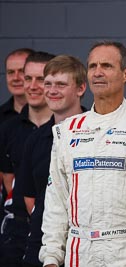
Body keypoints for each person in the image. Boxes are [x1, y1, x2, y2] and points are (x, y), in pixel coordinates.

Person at [39, 41, 126, 267]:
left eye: (107, 66)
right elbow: (56, 200)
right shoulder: (67, 130)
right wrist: (51, 257)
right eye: (92, 66)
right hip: (80, 254)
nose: (97, 73)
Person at [20, 55, 87, 267]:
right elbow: (30, 198)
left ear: (80, 89)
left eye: (61, 84)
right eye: (47, 84)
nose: (51, 90)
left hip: (84, 246)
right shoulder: (35, 139)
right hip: (42, 247)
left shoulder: (95, 133)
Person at [0, 51, 55, 266]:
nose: (33, 86)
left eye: (41, 79)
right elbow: (8, 181)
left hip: (61, 232)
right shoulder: (7, 130)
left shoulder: (73, 127)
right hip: (19, 234)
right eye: (28, 78)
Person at [0, 48, 34, 227]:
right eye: (10, 72)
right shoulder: (2, 120)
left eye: (22, 72)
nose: (16, 77)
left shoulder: (57, 118)